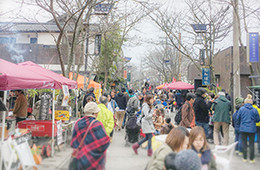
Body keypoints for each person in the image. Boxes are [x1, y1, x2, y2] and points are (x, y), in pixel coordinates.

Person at [70, 102, 110, 170]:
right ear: (94, 113)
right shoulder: (98, 124)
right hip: (95, 162)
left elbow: (74, 143)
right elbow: (105, 143)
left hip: (81, 161)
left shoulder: (78, 123)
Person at [237, 94, 260, 163]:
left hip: (243, 129)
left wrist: (241, 123)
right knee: (251, 144)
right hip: (252, 129)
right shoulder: (255, 110)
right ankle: (251, 159)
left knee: (244, 143)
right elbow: (258, 120)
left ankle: (245, 158)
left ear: (245, 102)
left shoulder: (241, 109)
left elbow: (238, 119)